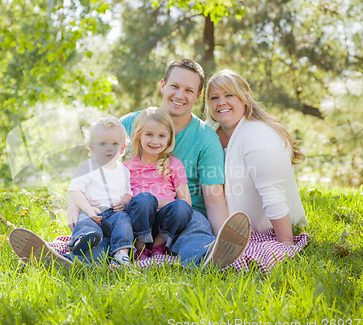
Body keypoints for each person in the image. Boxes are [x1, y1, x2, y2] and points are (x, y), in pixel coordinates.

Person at [70, 59, 251, 268]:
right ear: (163, 85)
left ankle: (208, 257)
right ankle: (84, 261)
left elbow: (214, 199)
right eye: (174, 86)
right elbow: (95, 170)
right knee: (99, 216)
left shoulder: (206, 138)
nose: (180, 95)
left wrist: (223, 237)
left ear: (198, 96)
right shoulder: (129, 123)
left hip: (177, 216)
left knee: (197, 224)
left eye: (189, 90)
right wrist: (74, 207)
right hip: (130, 210)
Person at [204, 69, 308, 249]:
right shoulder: (208, 130)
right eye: (214, 98)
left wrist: (286, 244)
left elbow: (273, 195)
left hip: (257, 229)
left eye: (229, 95)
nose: (221, 102)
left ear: (244, 98)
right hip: (213, 224)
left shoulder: (260, 136)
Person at [9, 116, 134, 266]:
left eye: (114, 144)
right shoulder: (86, 167)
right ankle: (81, 243)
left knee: (124, 220)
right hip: (91, 212)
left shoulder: (124, 171)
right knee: (91, 237)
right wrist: (88, 209)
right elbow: (76, 192)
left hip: (113, 213)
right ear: (92, 147)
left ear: (122, 149)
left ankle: (121, 254)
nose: (109, 148)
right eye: (103, 144)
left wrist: (124, 200)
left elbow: (128, 192)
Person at [123, 107, 193, 261]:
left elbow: (187, 203)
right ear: (139, 135)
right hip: (138, 218)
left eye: (162, 136)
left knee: (181, 208)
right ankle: (140, 248)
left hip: (164, 222)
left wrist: (159, 203)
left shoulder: (175, 165)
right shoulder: (127, 167)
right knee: (144, 200)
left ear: (169, 138)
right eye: (149, 134)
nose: (155, 141)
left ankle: (158, 245)